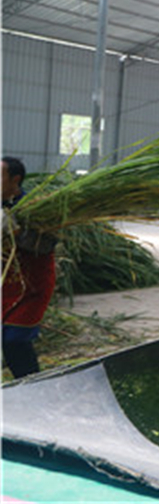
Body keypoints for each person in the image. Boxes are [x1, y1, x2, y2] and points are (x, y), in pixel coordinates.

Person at [2, 156, 57, 379]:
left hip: (32, 285)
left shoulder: (37, 208)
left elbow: (47, 244)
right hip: (5, 285)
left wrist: (16, 232)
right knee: (7, 341)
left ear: (15, 179)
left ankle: (33, 386)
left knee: (15, 340)